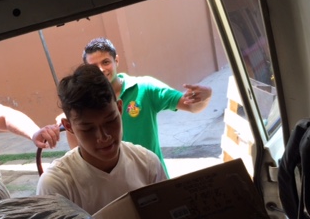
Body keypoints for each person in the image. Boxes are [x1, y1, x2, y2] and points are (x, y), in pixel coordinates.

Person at [61, 37, 213, 176]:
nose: (101, 69)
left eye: (106, 62)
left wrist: (204, 98)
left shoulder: (145, 88)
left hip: (152, 177)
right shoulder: (81, 107)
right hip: (112, 182)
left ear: (116, 60)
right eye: (94, 66)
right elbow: (79, 155)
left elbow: (191, 107)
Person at [37, 64, 166, 215]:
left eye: (110, 121)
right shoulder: (56, 186)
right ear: (68, 126)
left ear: (119, 109)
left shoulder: (148, 164)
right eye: (88, 129)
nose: (104, 137)